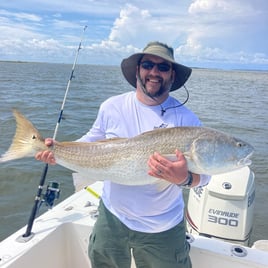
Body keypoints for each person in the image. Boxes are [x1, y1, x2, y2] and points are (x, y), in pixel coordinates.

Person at [36, 41, 210, 268]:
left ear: (172, 74)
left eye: (163, 67)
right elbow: (92, 141)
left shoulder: (186, 120)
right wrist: (58, 150)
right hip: (112, 218)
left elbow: (206, 176)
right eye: (148, 64)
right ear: (138, 70)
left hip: (162, 228)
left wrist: (185, 179)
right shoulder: (112, 106)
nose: (154, 72)